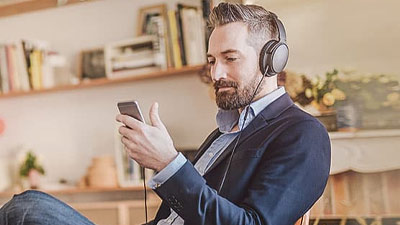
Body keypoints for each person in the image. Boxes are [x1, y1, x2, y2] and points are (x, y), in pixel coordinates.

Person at [0, 3, 330, 225]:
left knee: (26, 210)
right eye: (212, 60)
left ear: (271, 61)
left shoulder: (303, 134)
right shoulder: (221, 134)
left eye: (230, 58)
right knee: (28, 202)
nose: (215, 74)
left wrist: (168, 163)